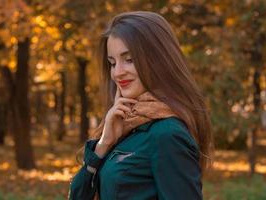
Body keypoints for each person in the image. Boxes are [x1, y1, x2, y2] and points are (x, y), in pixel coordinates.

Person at [69, 11, 213, 200]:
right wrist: (104, 144)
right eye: (112, 63)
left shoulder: (168, 134)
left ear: (159, 60)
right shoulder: (126, 127)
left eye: (129, 60)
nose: (117, 73)